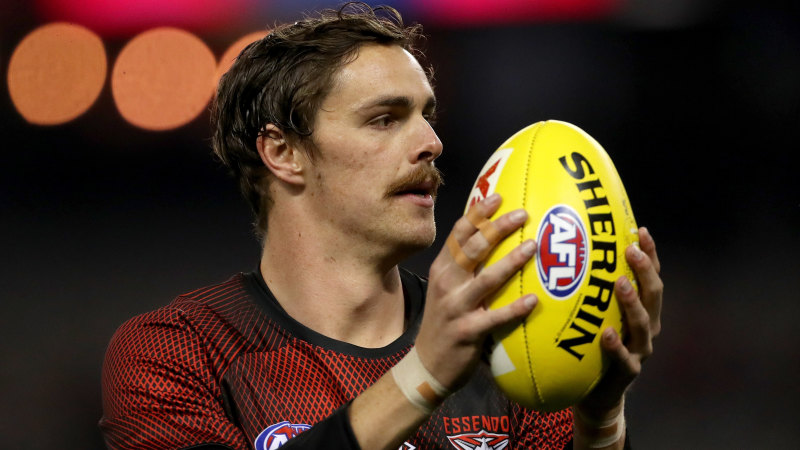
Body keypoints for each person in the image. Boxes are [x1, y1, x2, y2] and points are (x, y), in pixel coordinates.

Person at [100, 3, 662, 449]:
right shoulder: (179, 351)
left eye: (427, 117)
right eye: (385, 119)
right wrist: (424, 376)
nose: (431, 144)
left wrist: (600, 419)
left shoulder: (509, 344)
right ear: (283, 152)